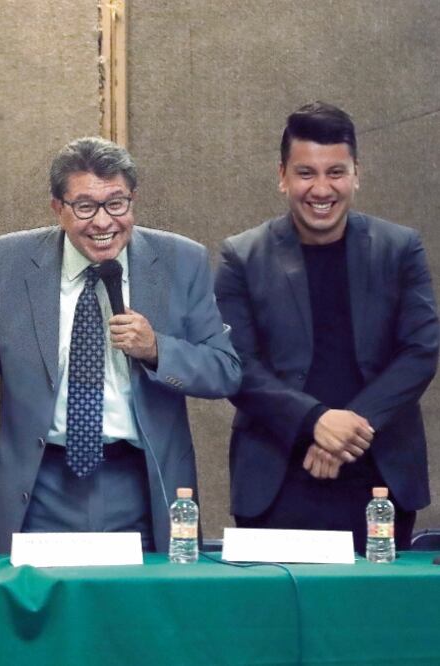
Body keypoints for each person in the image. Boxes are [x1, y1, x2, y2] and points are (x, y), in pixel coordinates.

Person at [0, 137, 241, 553]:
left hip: (142, 482)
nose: (103, 222)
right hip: (40, 485)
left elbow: (225, 370)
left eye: (116, 204)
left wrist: (157, 349)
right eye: (85, 207)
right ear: (58, 208)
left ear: (133, 200)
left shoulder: (181, 261)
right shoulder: (7, 261)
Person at [215, 102, 439, 551]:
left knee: (377, 599)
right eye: (306, 173)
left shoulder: (400, 249)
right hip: (278, 481)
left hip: (380, 479)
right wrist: (314, 421)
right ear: (282, 176)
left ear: (356, 175)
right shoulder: (242, 256)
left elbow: (421, 351)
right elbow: (236, 365)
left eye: (336, 172)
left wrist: (347, 430)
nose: (321, 188)